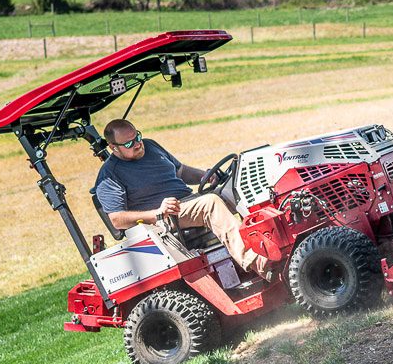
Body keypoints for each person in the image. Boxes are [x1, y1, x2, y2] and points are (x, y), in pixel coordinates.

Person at [94, 118, 271, 279]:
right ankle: (258, 262)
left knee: (238, 186)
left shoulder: (151, 146)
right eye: (129, 143)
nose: (138, 144)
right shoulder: (109, 175)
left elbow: (181, 171)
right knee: (210, 203)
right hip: (165, 217)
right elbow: (117, 220)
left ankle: (275, 241)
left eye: (137, 137)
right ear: (113, 147)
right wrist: (157, 213)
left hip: (189, 201)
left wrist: (205, 175)